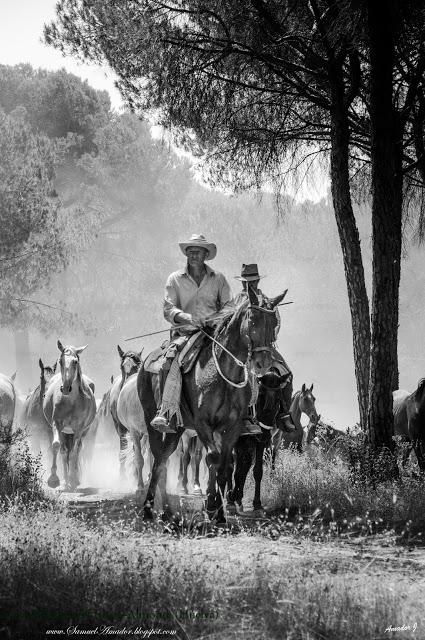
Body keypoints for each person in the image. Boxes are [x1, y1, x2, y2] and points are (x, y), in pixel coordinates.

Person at [150, 234, 234, 433]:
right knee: (167, 362)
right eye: (190, 251)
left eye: (197, 251)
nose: (193, 254)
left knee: (238, 360)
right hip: (185, 335)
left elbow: (229, 307)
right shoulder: (174, 279)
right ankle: (166, 412)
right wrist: (188, 318)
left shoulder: (219, 279)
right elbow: (168, 309)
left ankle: (245, 414)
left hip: (214, 335)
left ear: (206, 254)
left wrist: (213, 318)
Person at [235, 264, 295, 432]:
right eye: (246, 282)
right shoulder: (236, 300)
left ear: (258, 281)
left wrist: (271, 335)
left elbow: (277, 320)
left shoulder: (267, 300)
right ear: (242, 283)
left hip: (264, 345)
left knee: (286, 373)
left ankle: (284, 414)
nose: (249, 285)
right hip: (242, 346)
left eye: (252, 282)